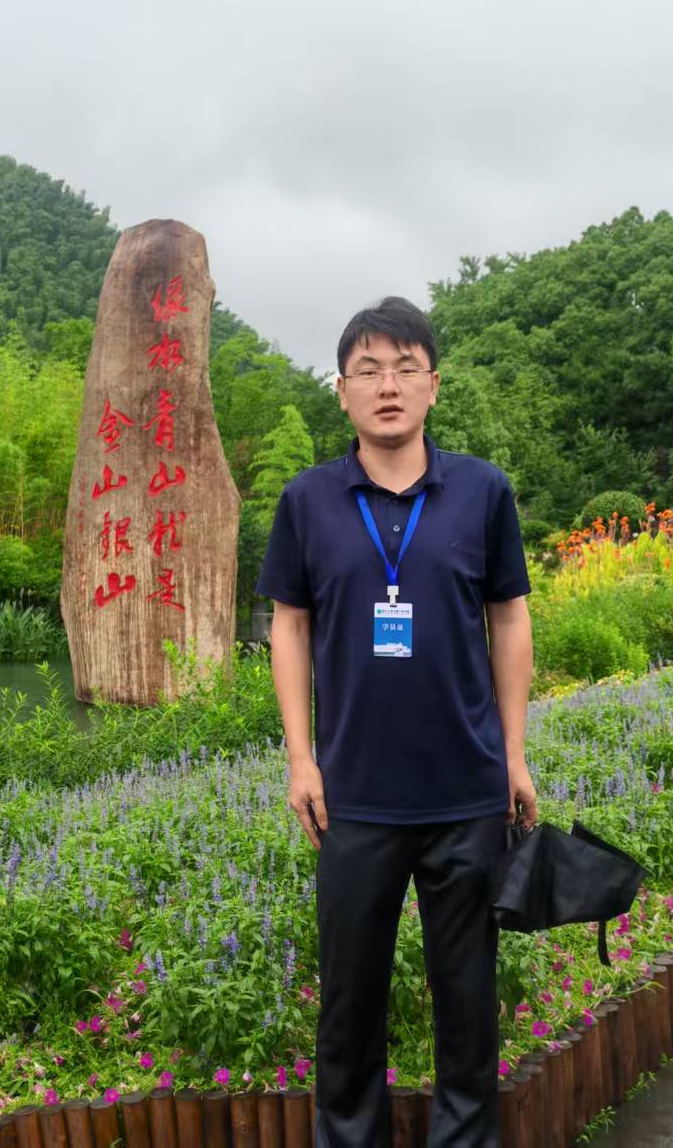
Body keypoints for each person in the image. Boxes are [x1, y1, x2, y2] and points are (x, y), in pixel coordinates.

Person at [256, 296, 536, 1148]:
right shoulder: (308, 500)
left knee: (468, 1006)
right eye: (369, 370)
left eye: (406, 368)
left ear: (433, 386)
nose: (388, 385)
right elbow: (288, 628)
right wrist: (301, 759)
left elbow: (510, 618)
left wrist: (514, 756)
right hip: (352, 800)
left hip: (466, 794)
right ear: (341, 390)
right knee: (348, 1010)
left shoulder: (481, 491)